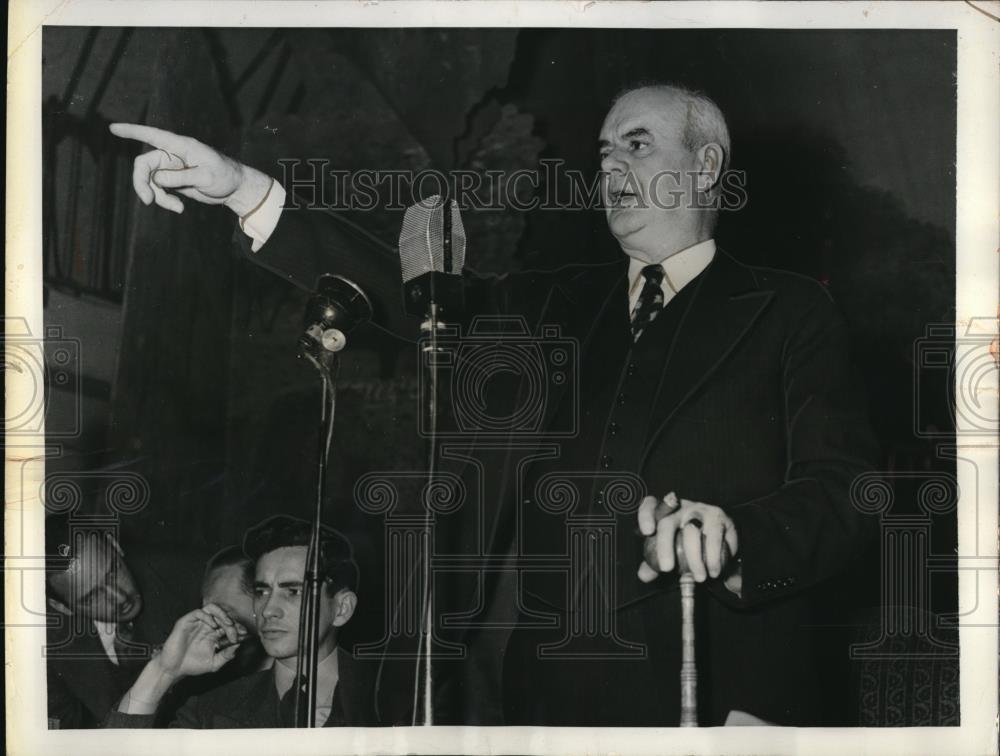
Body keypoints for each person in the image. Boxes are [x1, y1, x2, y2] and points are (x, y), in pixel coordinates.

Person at [109, 81, 878, 725]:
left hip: (717, 692)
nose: (610, 168)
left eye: (636, 146)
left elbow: (844, 492)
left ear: (705, 164)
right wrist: (245, 188)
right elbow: (416, 298)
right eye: (604, 154)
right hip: (551, 698)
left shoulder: (787, 312)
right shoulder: (560, 306)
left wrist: (741, 536)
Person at [105, 515, 377, 727]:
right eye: (262, 591)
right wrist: (163, 671)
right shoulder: (208, 713)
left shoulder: (397, 694)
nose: (269, 609)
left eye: (293, 591)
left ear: (342, 608)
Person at [44, 512, 149, 728]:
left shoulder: (195, 577)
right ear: (62, 607)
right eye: (92, 597)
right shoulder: (49, 653)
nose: (120, 597)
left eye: (113, 572)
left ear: (114, 545)